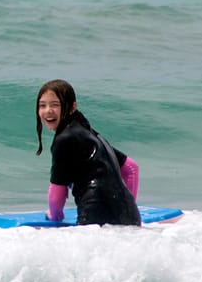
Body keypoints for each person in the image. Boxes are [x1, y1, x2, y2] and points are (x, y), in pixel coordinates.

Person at [35, 79, 141, 226]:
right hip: (130, 217)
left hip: (94, 218)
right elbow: (131, 168)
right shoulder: (89, 134)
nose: (48, 110)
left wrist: (54, 215)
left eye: (55, 105)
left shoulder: (64, 139)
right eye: (42, 105)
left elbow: (58, 188)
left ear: (72, 107)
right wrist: (124, 207)